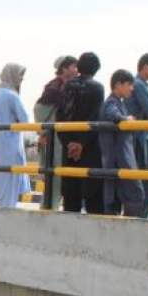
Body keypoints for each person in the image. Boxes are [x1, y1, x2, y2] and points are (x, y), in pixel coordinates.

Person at [57, 52, 105, 214]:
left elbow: (60, 117)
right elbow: (95, 119)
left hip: (69, 149)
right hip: (89, 148)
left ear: (78, 67)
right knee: (93, 198)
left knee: (70, 198)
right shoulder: (97, 88)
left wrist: (69, 143)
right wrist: (81, 143)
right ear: (96, 69)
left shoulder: (67, 86)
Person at [34, 56, 78, 210]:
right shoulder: (55, 89)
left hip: (58, 140)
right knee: (55, 182)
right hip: (55, 141)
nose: (76, 70)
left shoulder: (57, 86)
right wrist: (44, 131)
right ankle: (47, 213)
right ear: (64, 68)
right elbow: (40, 110)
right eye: (73, 66)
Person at [100, 70, 145, 217]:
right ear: (118, 84)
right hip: (119, 161)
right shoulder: (112, 102)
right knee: (134, 195)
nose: (132, 89)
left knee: (119, 200)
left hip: (119, 161)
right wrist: (127, 119)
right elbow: (112, 114)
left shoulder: (118, 102)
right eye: (129, 85)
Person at [126, 53, 148, 217]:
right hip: (141, 142)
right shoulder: (139, 85)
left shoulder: (136, 84)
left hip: (135, 141)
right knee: (147, 185)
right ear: (145, 67)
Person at [0, 63, 31, 208]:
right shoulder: (12, 96)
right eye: (20, 75)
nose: (21, 79)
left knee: (2, 179)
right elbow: (25, 120)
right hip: (12, 145)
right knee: (11, 184)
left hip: (1, 145)